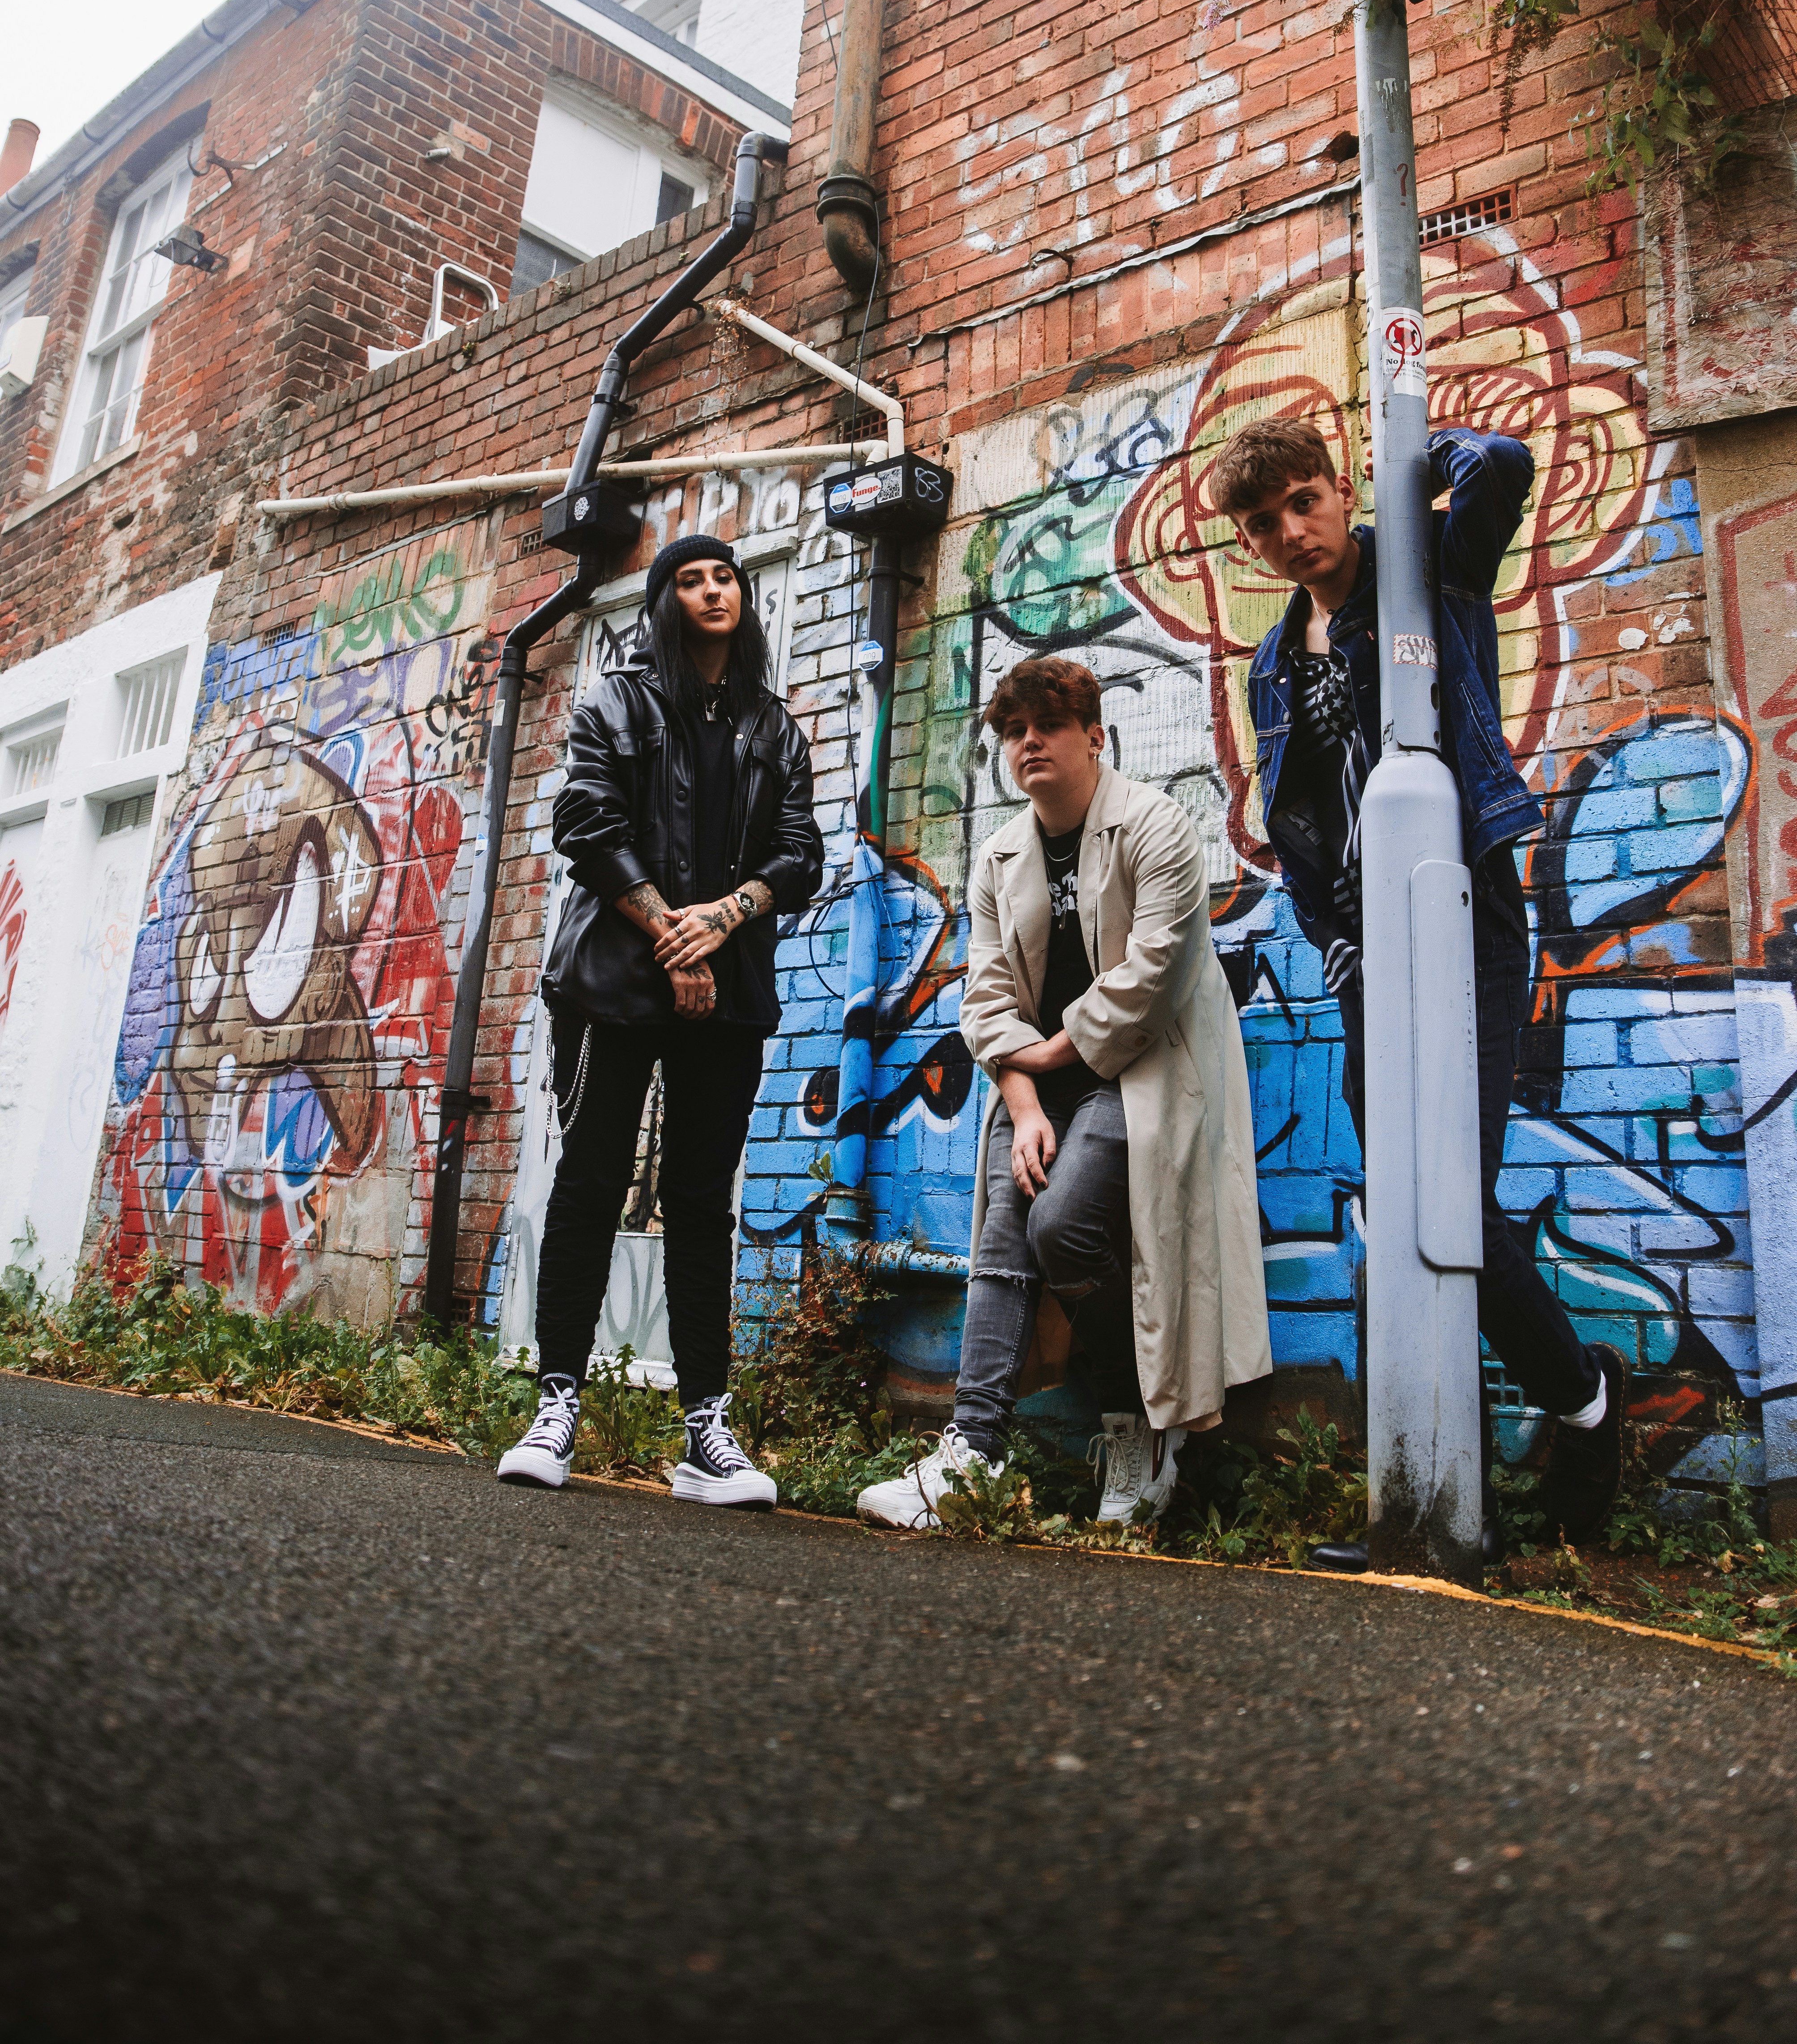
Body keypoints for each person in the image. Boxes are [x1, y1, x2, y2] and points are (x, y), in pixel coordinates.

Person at [1212, 416, 1627, 1550]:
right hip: (1366, 946)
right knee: (1403, 1207)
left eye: (1304, 502)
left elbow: (1499, 466)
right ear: (1246, 542)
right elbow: (1297, 826)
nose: (1291, 533)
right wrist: (1329, 938)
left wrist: (1408, 454)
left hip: (1463, 910)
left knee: (1450, 1193)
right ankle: (1448, 1488)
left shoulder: (1430, 570)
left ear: (1338, 486)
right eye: (1263, 523)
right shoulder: (1270, 663)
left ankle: (1581, 1405)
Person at [858, 655, 1271, 1532]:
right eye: (1014, 731)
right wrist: (1023, 1103)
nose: (1029, 743)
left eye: (1048, 725)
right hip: (1040, 1086)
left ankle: (1137, 1418)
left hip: (1146, 1070)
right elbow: (984, 997)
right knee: (1007, 1233)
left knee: (1062, 1223)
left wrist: (1047, 1051)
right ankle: (971, 1451)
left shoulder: (1156, 825)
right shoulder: (999, 855)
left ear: (1095, 737)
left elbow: (1152, 975)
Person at [498, 534, 823, 1504]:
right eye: (691, 579)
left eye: (726, 577)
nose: (713, 590)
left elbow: (799, 853)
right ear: (663, 602)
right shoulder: (615, 701)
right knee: (591, 1181)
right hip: (612, 985)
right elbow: (587, 825)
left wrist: (721, 920)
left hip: (728, 996)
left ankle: (705, 1430)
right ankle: (556, 1406)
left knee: (700, 1200)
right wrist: (674, 938)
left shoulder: (774, 726)